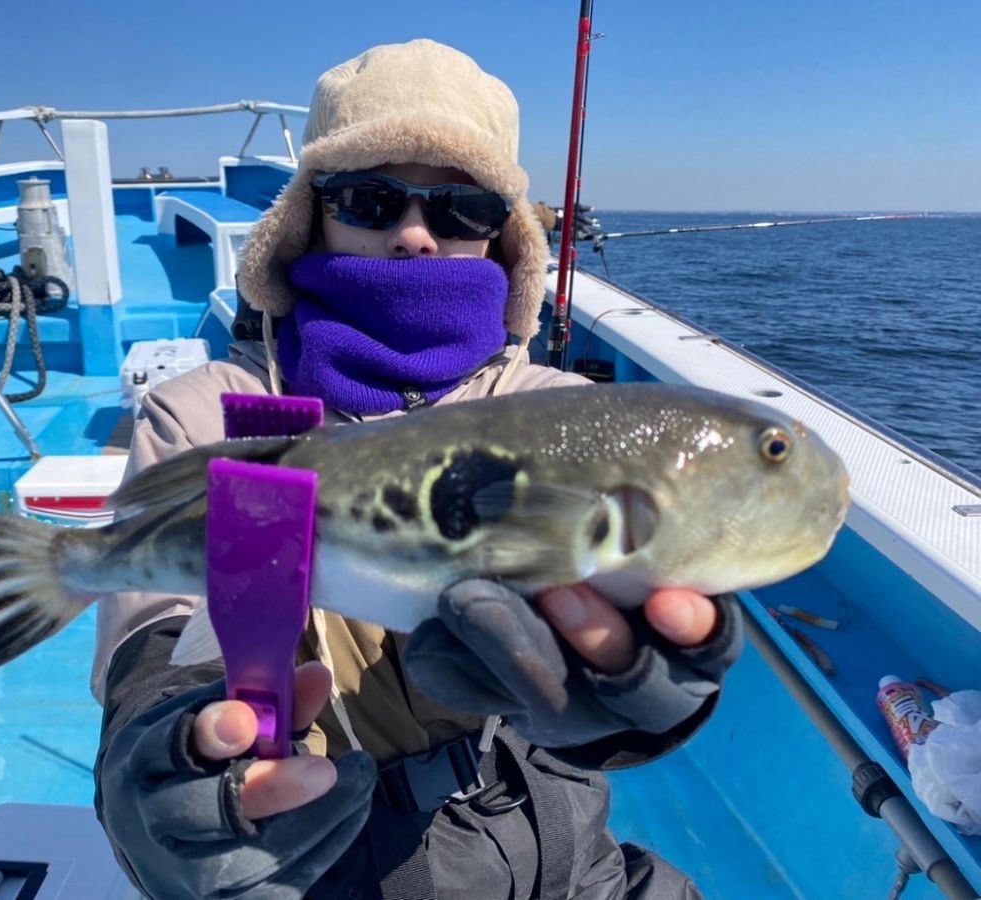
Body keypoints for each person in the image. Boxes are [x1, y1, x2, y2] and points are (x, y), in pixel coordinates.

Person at [92, 39, 742, 900]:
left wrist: (641, 691)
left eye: (461, 208)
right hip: (315, 863)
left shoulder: (559, 411)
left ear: (500, 235)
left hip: (568, 859)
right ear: (310, 216)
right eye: (369, 196)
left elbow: (628, 614)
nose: (413, 235)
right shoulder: (211, 415)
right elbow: (160, 639)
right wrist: (162, 758)